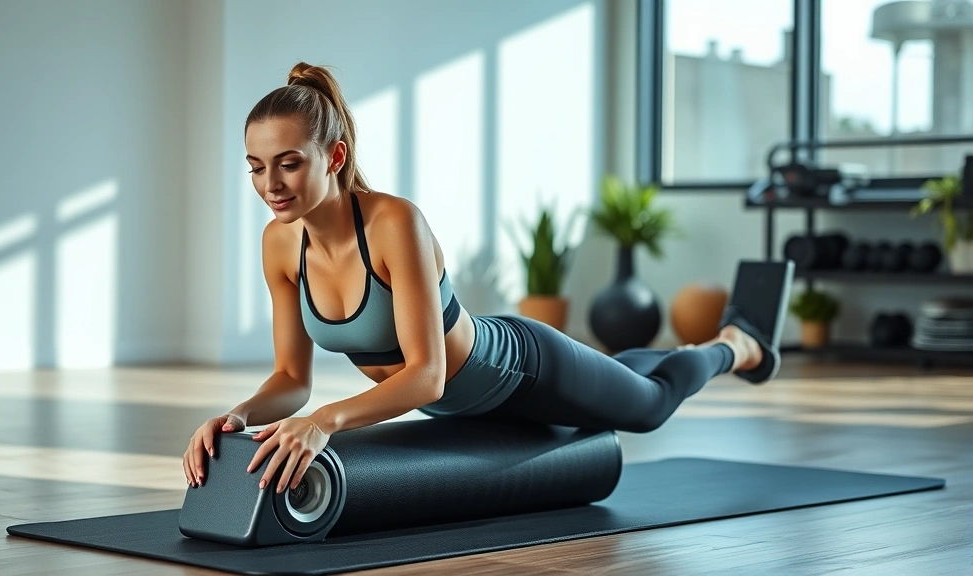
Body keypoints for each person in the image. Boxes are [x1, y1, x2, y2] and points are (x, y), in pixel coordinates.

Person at [182, 62, 786, 497]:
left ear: (334, 158)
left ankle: (731, 345)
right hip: (464, 409)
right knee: (624, 382)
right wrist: (238, 415)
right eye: (257, 168)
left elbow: (426, 374)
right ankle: (639, 363)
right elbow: (291, 377)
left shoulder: (394, 222)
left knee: (649, 406)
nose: (271, 185)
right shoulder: (280, 245)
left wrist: (328, 420)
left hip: (525, 368)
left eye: (289, 163)